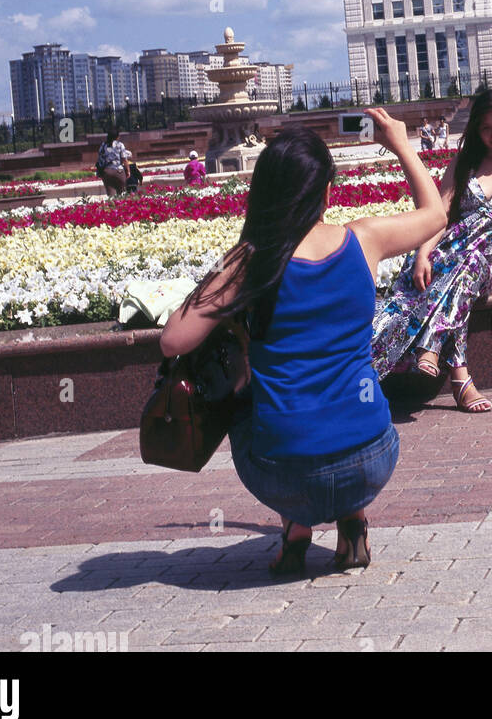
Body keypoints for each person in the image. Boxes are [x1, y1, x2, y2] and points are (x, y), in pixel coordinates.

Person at [159, 110, 445, 578]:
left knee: (252, 399)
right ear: (326, 189)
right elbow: (436, 214)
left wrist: (224, 283)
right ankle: (353, 522)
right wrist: (399, 142)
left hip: (285, 475)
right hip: (373, 458)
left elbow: (173, 340)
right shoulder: (364, 239)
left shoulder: (252, 260)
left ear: (265, 191)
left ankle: (295, 527)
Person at [371, 89, 492, 412]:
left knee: (472, 263)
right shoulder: (465, 162)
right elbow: (441, 213)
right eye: (485, 128)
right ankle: (460, 379)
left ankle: (432, 344)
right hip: (449, 249)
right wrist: (422, 254)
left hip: (488, 256)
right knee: (456, 275)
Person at [96, 131, 127, 197]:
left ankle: (112, 205)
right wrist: (128, 171)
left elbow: (99, 158)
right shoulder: (120, 144)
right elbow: (124, 159)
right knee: (121, 192)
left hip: (107, 172)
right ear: (117, 137)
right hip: (119, 171)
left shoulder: (103, 145)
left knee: (111, 194)